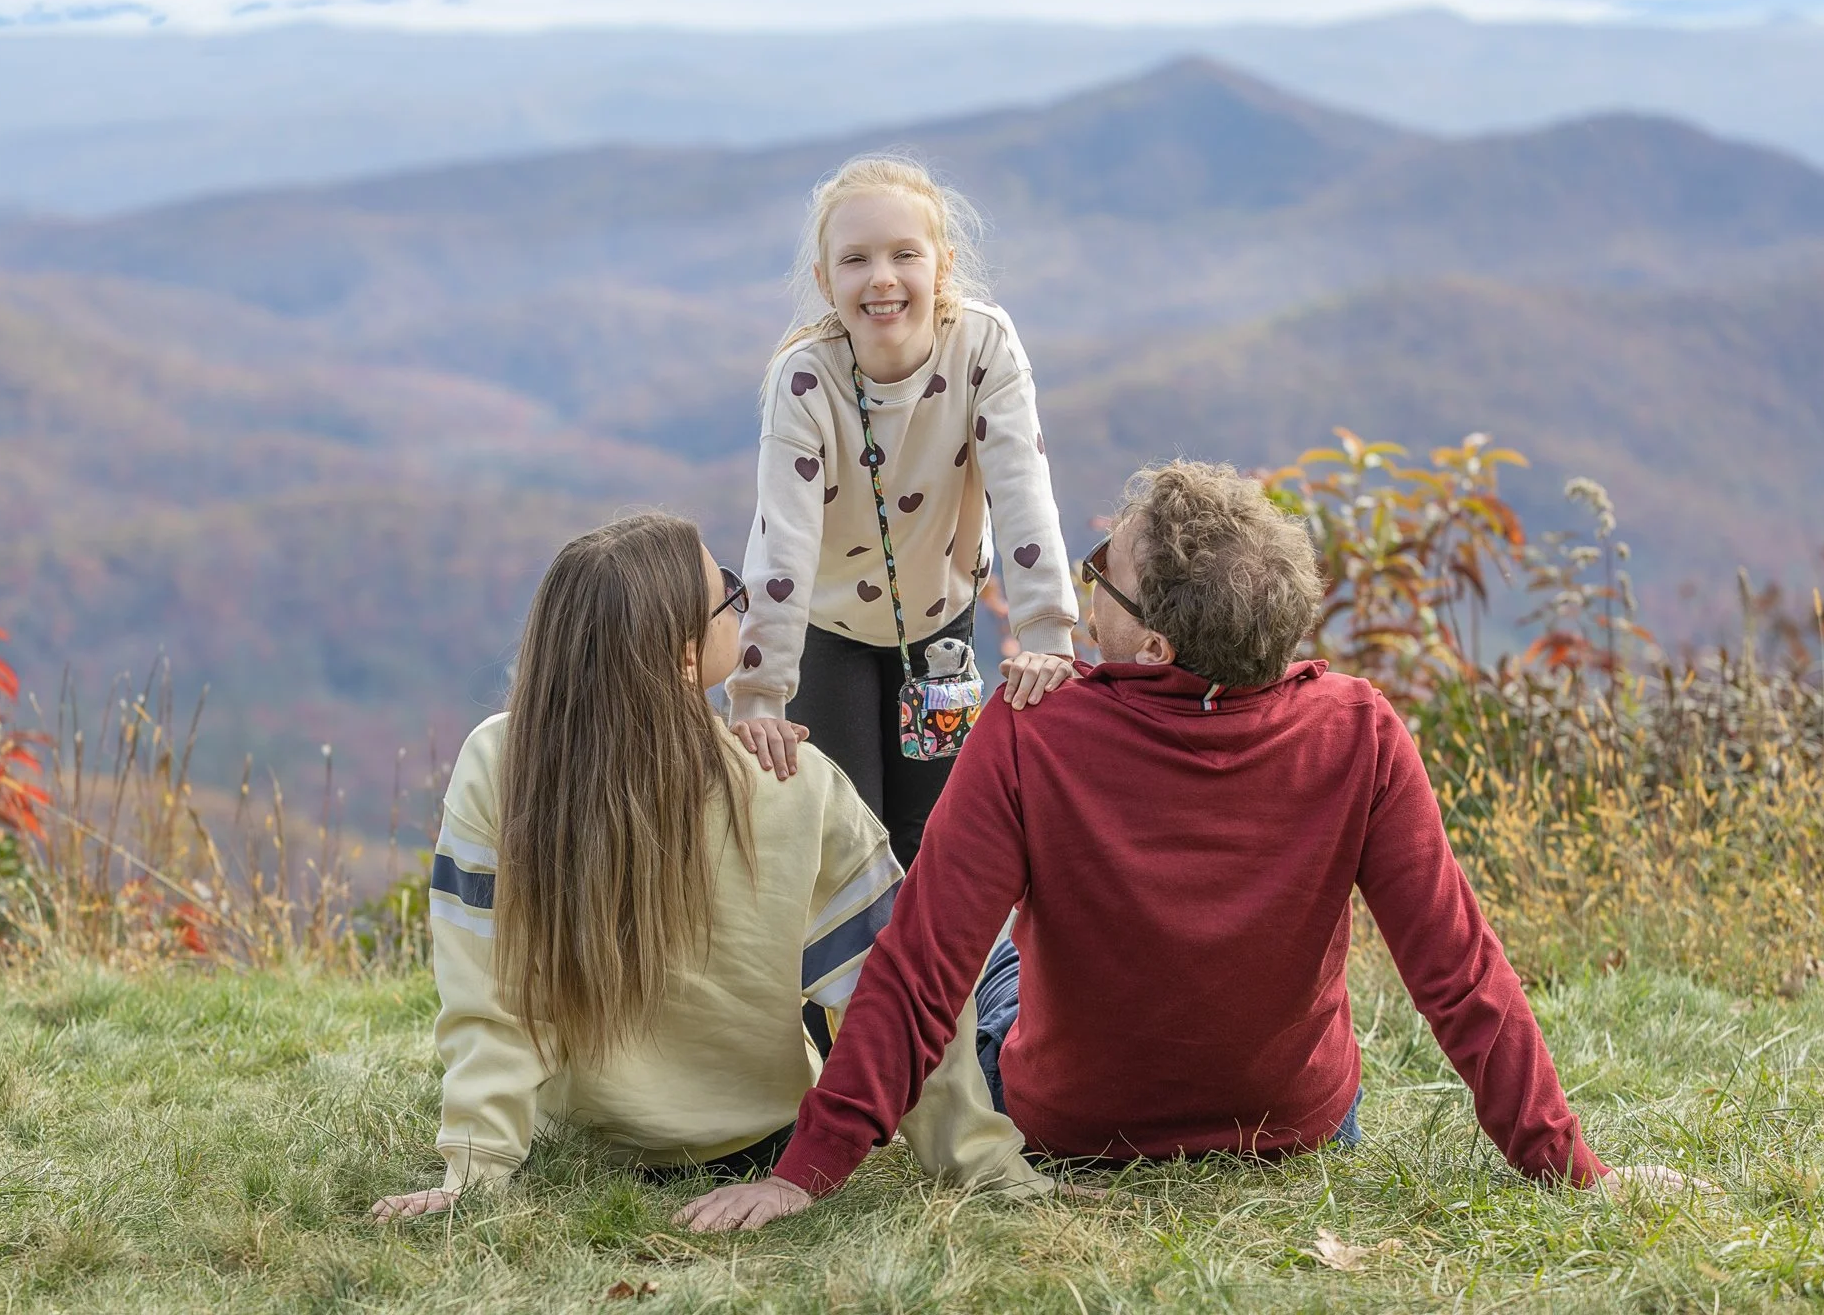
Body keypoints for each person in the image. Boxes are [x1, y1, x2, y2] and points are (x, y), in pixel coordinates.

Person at [678, 461, 1695, 1232]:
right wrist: (1572, 1169)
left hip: (1073, 1130)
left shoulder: (1033, 733)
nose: (1082, 585)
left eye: (1100, 574)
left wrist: (803, 1171)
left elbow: (917, 972)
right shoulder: (1357, 729)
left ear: (1155, 645)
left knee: (981, 955)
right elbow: (1458, 974)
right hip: (1294, 1123)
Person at [370, 513, 1043, 1222]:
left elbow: (490, 1000)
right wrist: (980, 1163)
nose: (739, 596)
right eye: (728, 593)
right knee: (1000, 957)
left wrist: (474, 1170)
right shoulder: (794, 784)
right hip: (757, 1144)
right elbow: (894, 992)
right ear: (686, 657)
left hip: (576, 1140)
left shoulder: (498, 763)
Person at [725, 152, 1080, 875]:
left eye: (904, 254)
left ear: (943, 266)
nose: (882, 277)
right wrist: (760, 694)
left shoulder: (983, 346)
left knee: (935, 838)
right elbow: (782, 546)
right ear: (825, 282)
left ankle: (929, 957)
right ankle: (855, 958)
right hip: (828, 630)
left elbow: (1022, 492)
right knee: (848, 841)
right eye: (855, 259)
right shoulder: (806, 379)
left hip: (942, 622)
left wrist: (1047, 634)